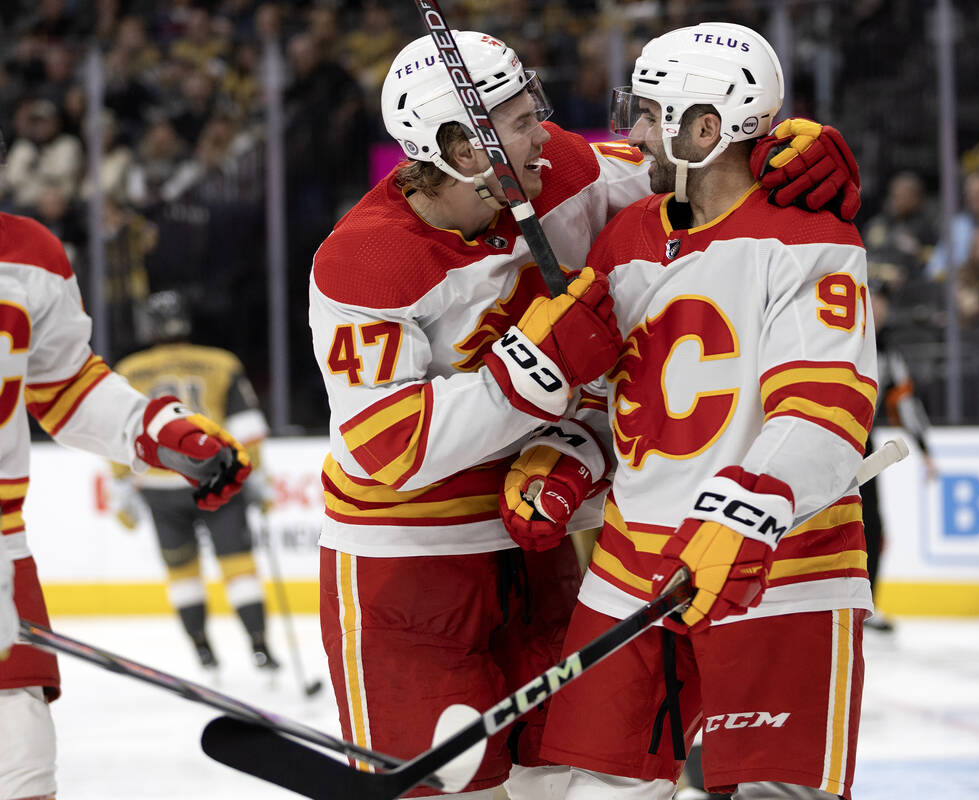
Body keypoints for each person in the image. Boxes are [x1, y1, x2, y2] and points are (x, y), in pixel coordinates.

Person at [309, 29, 862, 800]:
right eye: (519, 118)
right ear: (464, 150)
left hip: (540, 532)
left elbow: (687, 165)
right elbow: (383, 446)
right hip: (409, 561)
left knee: (559, 780)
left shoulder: (561, 168)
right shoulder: (364, 261)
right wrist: (537, 372)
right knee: (450, 789)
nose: (547, 129)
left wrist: (784, 149)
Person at [522, 22, 877, 800]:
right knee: (578, 788)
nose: (636, 132)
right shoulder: (626, 238)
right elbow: (616, 405)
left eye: (650, 114)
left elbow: (827, 409)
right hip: (629, 570)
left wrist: (746, 514)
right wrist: (567, 456)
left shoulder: (808, 235)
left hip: (782, 566)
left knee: (773, 794)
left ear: (704, 129)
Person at [0, 173, 251, 800]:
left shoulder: (30, 254)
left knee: (25, 774)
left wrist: (161, 431)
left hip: (2, 555)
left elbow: (65, 386)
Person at [109, 290, 277, 674]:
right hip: (217, 479)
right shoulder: (219, 362)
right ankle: (260, 647)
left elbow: (119, 430)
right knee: (239, 566)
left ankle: (203, 651)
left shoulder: (129, 370)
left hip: (159, 485)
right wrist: (260, 476)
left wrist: (120, 485)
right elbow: (247, 428)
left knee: (181, 572)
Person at [859, 282, 936, 633]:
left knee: (871, 525)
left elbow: (905, 402)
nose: (879, 309)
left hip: (863, 442)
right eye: (873, 301)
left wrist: (925, 451)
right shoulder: (840, 337)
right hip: (827, 438)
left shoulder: (888, 351)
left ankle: (865, 604)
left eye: (883, 303)